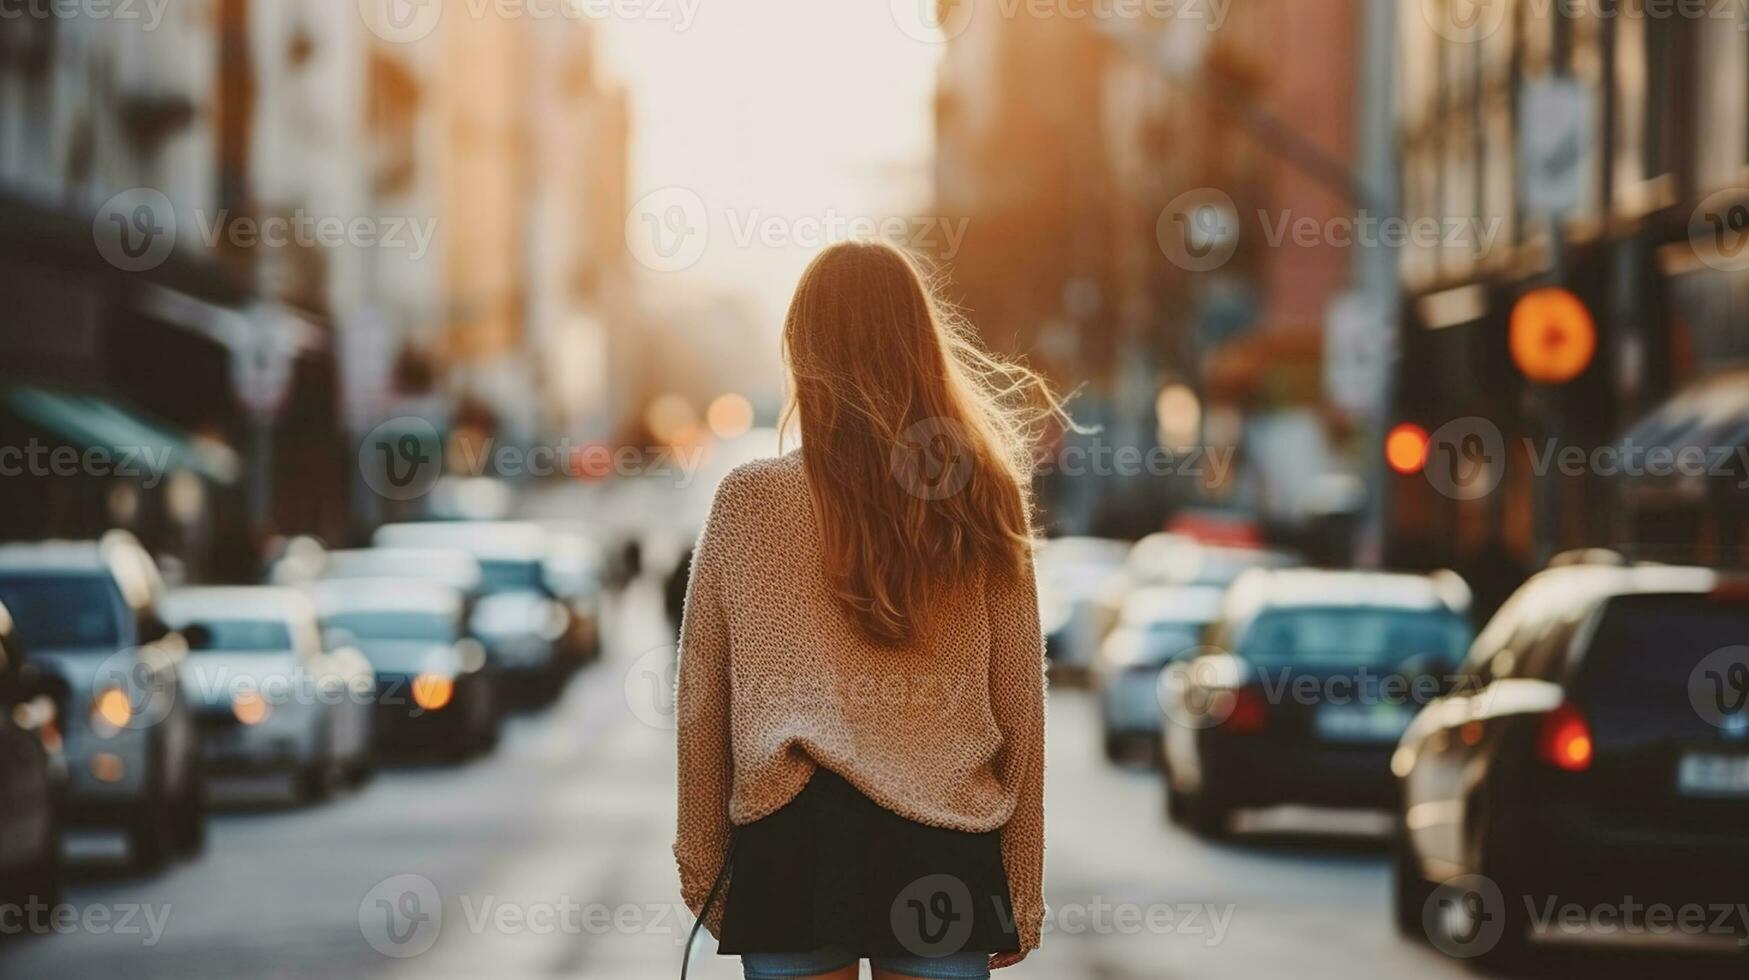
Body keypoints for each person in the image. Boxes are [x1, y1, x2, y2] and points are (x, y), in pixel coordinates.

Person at [674, 240, 1062, 980]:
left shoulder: (748, 502)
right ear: (922, 346)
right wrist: (1020, 886)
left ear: (801, 352)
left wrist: (704, 869)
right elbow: (1020, 707)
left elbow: (701, 702)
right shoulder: (978, 496)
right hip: (941, 845)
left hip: (793, 842)